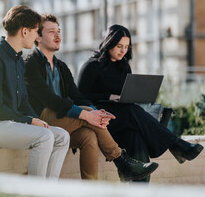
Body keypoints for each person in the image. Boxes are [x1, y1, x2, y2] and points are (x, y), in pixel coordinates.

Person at [24, 14, 158, 181]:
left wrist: (98, 113)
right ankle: (121, 161)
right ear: (37, 36)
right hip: (39, 119)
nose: (58, 35)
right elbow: (50, 100)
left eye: (59, 31)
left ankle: (91, 191)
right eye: (51, 32)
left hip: (61, 121)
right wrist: (88, 114)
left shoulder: (61, 67)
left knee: (89, 136)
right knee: (87, 114)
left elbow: (77, 96)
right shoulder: (30, 64)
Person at [77, 24, 204, 182]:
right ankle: (177, 145)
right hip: (101, 118)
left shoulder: (124, 67)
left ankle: (140, 192)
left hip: (124, 119)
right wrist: (109, 96)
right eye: (118, 46)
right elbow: (79, 97)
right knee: (131, 110)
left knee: (136, 138)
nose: (123, 50)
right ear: (108, 43)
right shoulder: (91, 66)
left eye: (126, 47)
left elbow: (125, 96)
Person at [0, 5, 69, 180]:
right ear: (24, 31)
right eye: (36, 31)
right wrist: (28, 121)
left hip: (7, 121)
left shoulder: (18, 60)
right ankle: (35, 195)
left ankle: (49, 191)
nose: (37, 37)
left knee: (62, 136)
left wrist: (35, 120)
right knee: (44, 138)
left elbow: (22, 102)